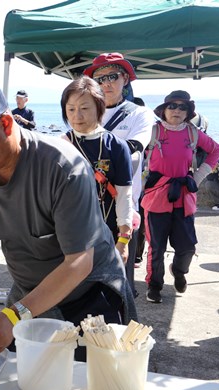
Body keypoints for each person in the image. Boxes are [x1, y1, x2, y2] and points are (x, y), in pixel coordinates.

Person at [0, 76, 137, 362]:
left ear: (5, 124)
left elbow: (79, 261)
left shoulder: (63, 167)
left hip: (89, 292)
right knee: (24, 384)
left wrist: (16, 313)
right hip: (29, 295)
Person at [84, 52, 156, 295]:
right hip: (84, 205)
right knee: (84, 276)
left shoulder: (139, 114)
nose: (106, 84)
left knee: (119, 282)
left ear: (125, 79)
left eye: (112, 77)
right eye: (99, 79)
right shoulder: (85, 111)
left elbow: (134, 152)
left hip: (121, 207)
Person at [142, 90, 219, 303]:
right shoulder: (151, 131)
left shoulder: (193, 134)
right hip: (157, 197)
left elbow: (216, 150)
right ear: (163, 110)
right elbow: (129, 150)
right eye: (172, 106)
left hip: (184, 197)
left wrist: (198, 176)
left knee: (187, 247)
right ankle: (154, 285)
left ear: (188, 113)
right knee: (156, 247)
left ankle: (178, 270)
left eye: (182, 107)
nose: (177, 110)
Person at [60, 76, 134, 264]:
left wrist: (123, 241)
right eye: (71, 109)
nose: (77, 116)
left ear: (99, 107)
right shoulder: (59, 145)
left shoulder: (116, 146)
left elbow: (124, 195)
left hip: (105, 234)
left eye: (84, 108)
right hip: (66, 235)